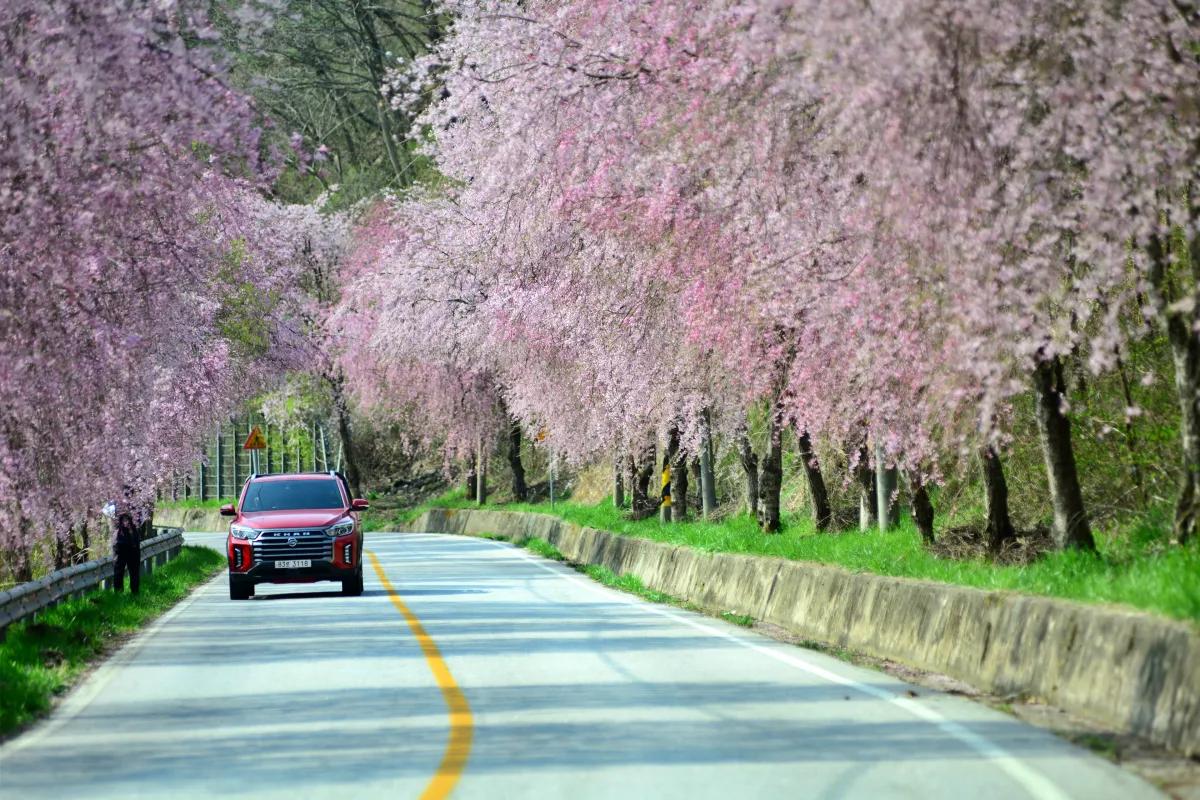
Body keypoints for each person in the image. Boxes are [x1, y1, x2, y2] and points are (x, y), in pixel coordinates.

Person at [113, 511, 141, 594]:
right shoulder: (118, 532)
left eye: (127, 520)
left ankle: (135, 592)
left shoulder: (133, 530)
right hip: (121, 554)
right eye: (124, 520)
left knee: (134, 574)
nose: (126, 522)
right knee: (118, 574)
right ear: (121, 522)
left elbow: (136, 543)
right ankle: (118, 593)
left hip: (133, 555)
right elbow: (116, 545)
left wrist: (131, 533)